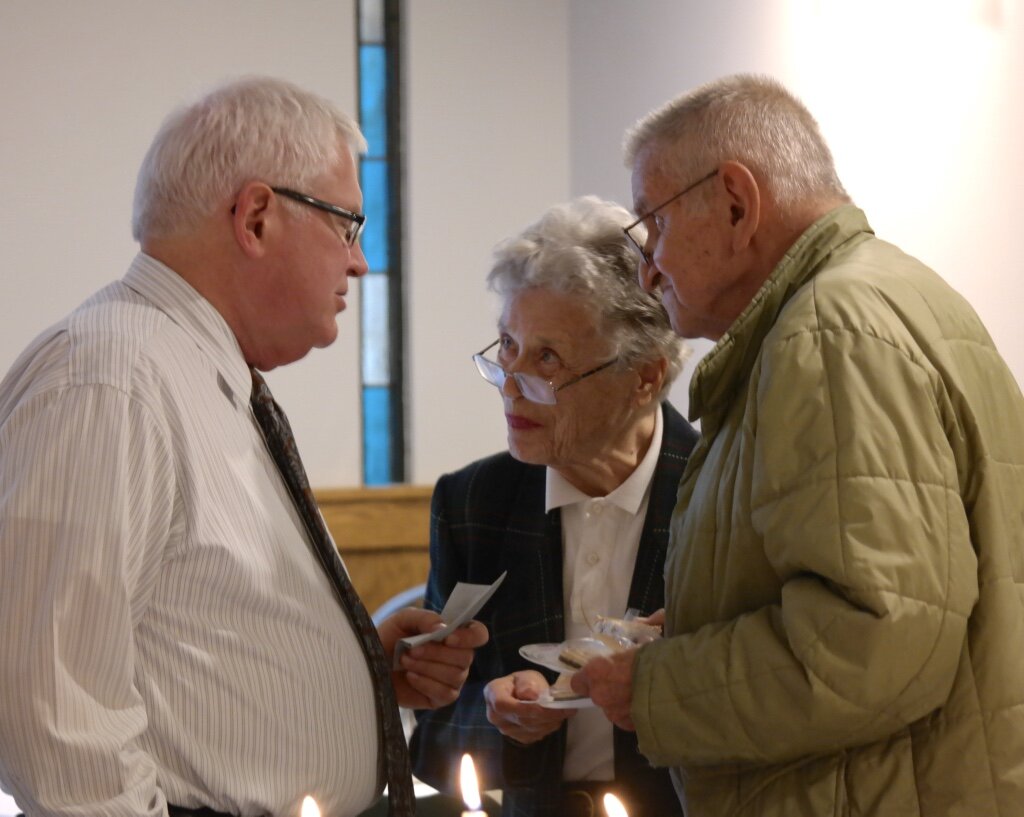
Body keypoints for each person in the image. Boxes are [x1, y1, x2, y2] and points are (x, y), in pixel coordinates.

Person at [0, 76, 487, 817]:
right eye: (349, 226)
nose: (360, 263)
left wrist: (356, 671)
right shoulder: (109, 379)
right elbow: (56, 722)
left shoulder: (193, 371)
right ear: (256, 217)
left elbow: (190, 639)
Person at [571, 73, 1024, 816]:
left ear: (737, 203)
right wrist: (697, 620)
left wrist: (657, 684)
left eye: (652, 228)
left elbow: (876, 641)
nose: (648, 269)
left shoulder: (829, 329)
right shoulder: (895, 294)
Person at [409, 196, 698, 817]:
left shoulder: (716, 495)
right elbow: (436, 730)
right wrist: (498, 709)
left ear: (644, 376)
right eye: (507, 346)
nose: (510, 385)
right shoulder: (471, 503)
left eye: (546, 358)